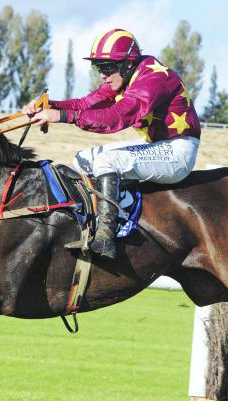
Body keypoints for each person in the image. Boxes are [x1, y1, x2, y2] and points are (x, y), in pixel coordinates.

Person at [24, 28, 201, 259]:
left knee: (107, 161)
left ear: (128, 64)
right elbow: (85, 104)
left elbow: (116, 117)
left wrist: (63, 116)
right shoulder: (124, 77)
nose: (102, 75)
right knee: (82, 159)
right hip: (156, 145)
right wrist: (50, 106)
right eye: (99, 68)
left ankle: (106, 237)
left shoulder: (154, 79)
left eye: (107, 67)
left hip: (178, 151)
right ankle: (94, 219)